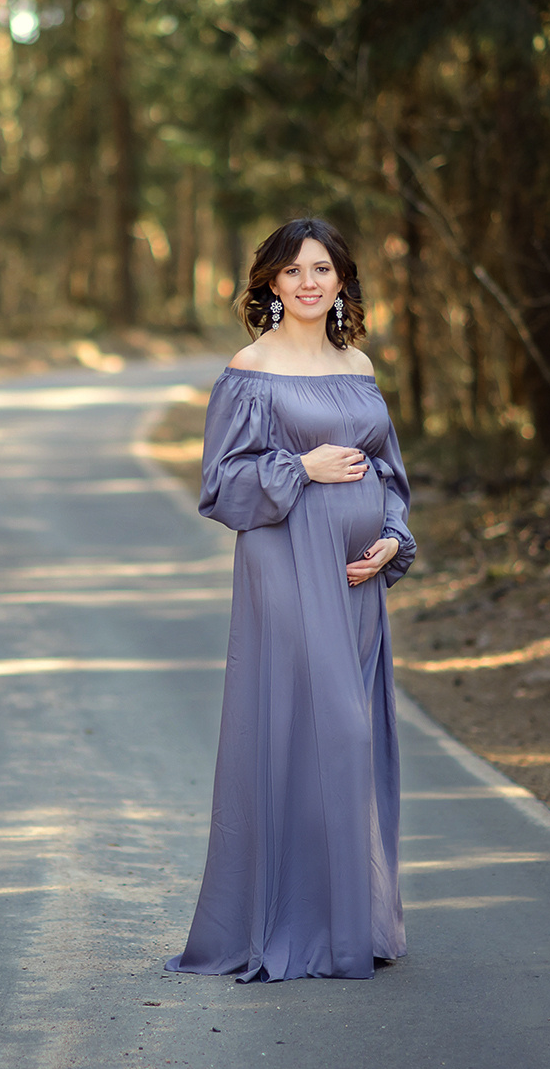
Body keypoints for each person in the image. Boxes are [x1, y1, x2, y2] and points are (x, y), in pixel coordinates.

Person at [165, 218, 416, 983]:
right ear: (272, 283)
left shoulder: (358, 365)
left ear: (342, 281)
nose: (309, 282)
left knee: (346, 739)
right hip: (284, 563)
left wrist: (392, 537)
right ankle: (292, 924)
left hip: (355, 581)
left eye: (323, 269)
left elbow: (387, 470)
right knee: (319, 728)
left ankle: (353, 923)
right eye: (294, 270)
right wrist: (302, 467)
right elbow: (221, 484)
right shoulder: (251, 368)